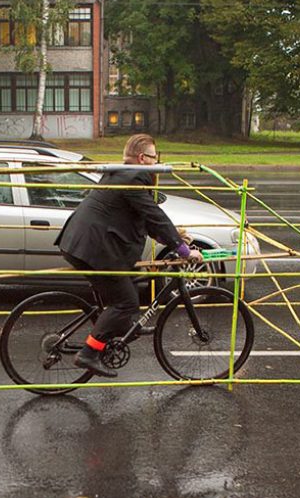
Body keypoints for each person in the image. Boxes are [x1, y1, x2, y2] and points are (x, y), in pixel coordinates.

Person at [55, 133, 203, 378]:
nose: (159, 164)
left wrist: (173, 237)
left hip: (87, 244)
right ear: (143, 158)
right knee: (125, 303)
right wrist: (183, 250)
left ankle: (120, 329)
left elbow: (144, 217)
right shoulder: (134, 178)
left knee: (129, 284)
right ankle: (89, 353)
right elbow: (154, 215)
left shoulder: (122, 173)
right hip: (95, 248)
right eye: (156, 158)